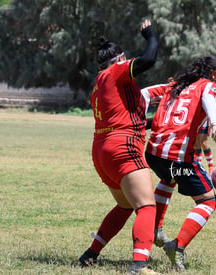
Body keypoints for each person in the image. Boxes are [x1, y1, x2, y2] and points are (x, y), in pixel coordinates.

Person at [78, 19, 162, 275]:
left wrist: (151, 123)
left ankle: (90, 255)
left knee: (126, 205)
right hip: (122, 147)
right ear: (120, 59)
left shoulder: (98, 83)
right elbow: (148, 60)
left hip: (103, 149)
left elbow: (120, 119)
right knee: (147, 206)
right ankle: (139, 266)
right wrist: (151, 36)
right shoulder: (116, 72)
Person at [142, 55, 216, 271]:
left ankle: (154, 228)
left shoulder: (176, 83)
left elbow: (144, 93)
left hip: (154, 152)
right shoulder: (208, 85)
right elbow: (209, 99)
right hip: (178, 156)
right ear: (214, 75)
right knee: (208, 202)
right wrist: (215, 123)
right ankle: (177, 246)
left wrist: (139, 121)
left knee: (168, 178)